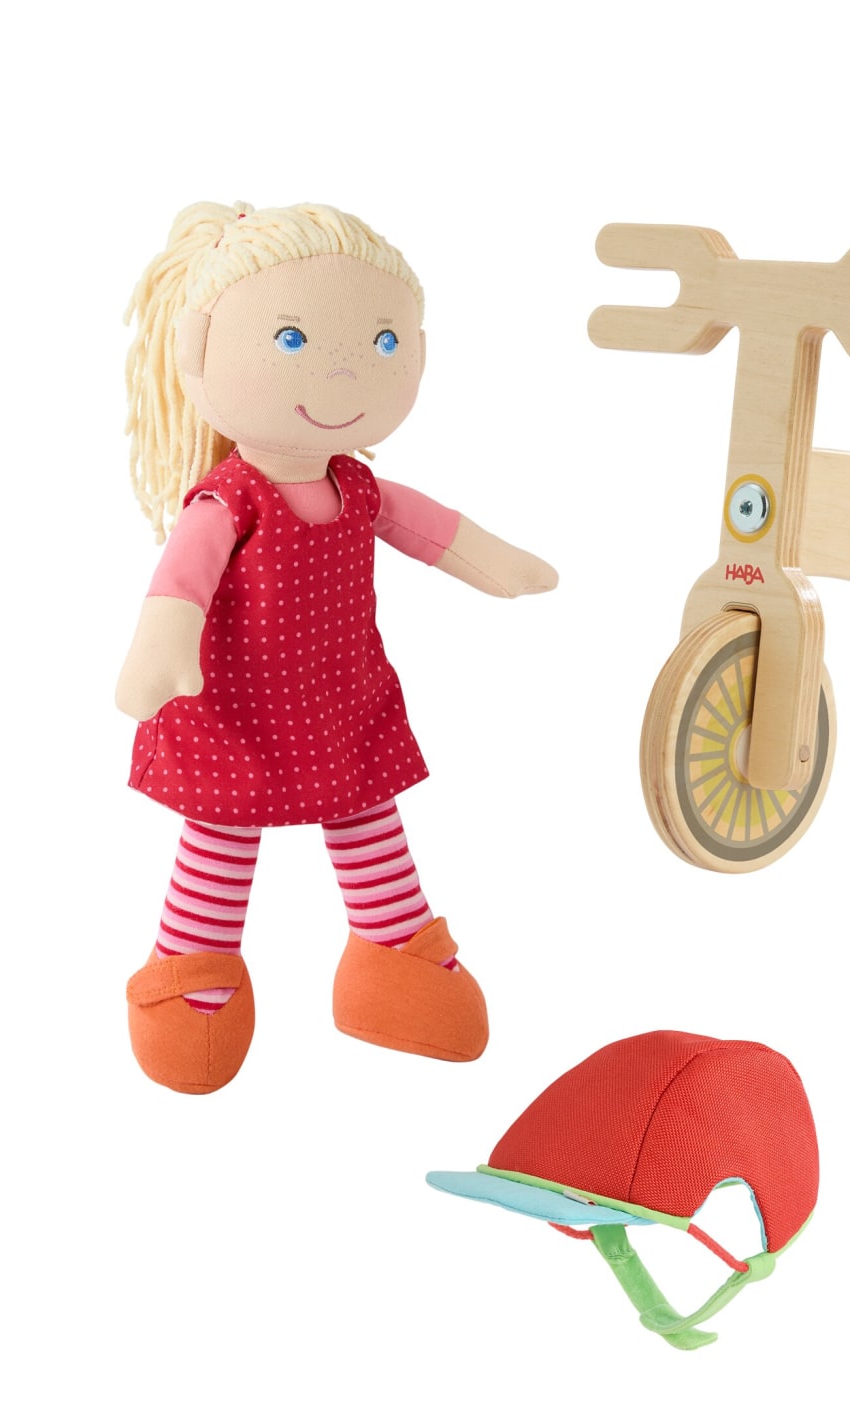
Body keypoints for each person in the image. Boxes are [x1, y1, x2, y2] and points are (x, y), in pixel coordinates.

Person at [116, 201, 556, 1094]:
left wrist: (497, 563)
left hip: (339, 698)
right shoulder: (229, 498)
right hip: (237, 706)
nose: (348, 369)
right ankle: (194, 968)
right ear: (200, 349)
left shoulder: (357, 486)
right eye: (291, 339)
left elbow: (436, 531)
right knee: (222, 830)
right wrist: (161, 648)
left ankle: (391, 954)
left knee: (365, 813)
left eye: (385, 343)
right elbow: (181, 581)